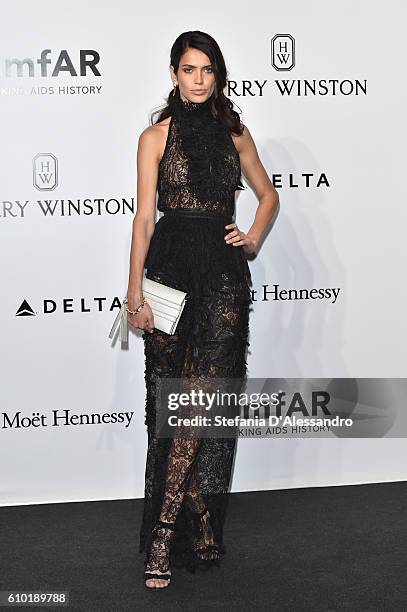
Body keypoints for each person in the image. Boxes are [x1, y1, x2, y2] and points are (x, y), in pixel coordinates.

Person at [126, 30, 278, 589]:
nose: (198, 78)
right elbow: (145, 218)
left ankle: (163, 536)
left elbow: (269, 195)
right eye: (189, 69)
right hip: (168, 271)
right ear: (173, 74)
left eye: (207, 70)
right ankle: (198, 518)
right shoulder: (154, 137)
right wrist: (134, 289)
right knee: (171, 406)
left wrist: (254, 237)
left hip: (221, 277)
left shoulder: (234, 133)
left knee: (196, 403)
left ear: (217, 76)